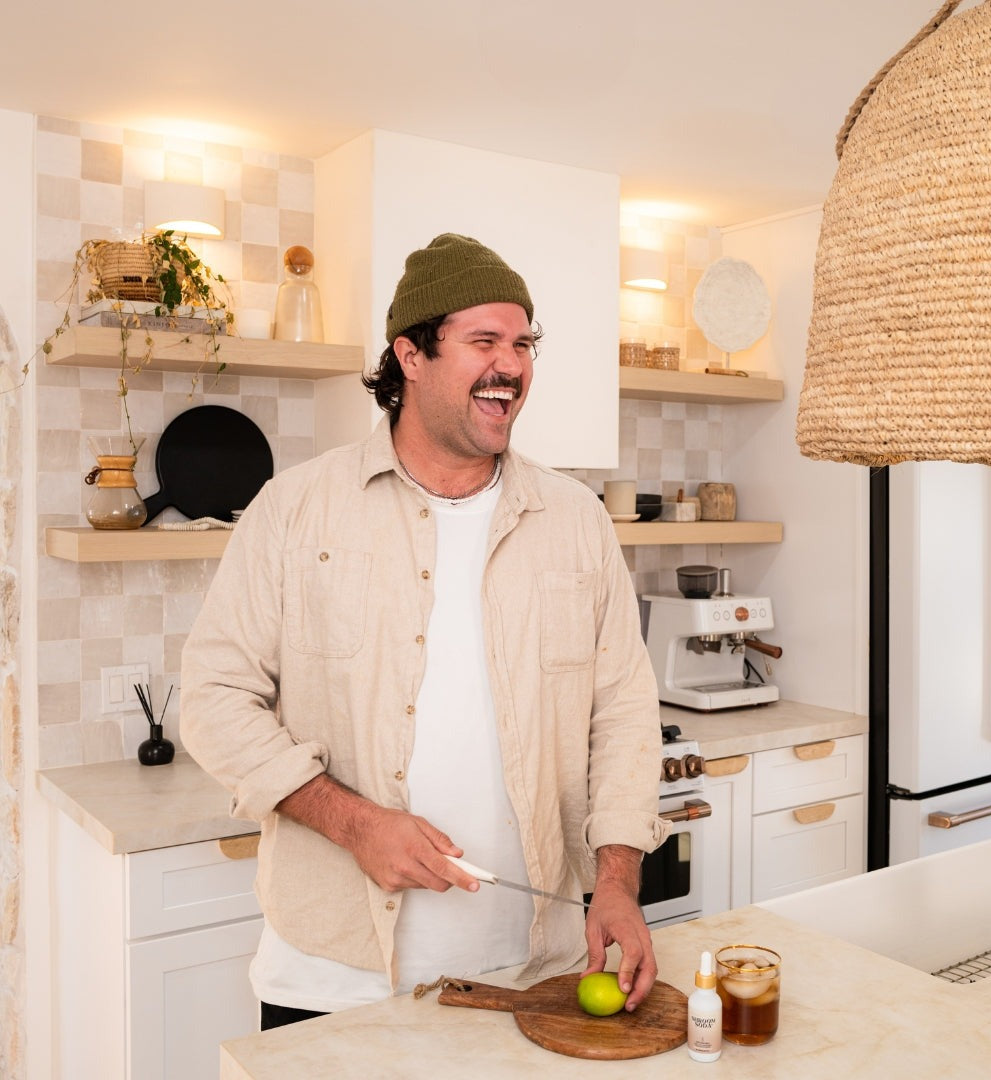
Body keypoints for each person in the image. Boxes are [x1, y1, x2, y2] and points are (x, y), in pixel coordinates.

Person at [180, 233, 668, 1031]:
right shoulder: (297, 509)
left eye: (522, 344)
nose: (511, 366)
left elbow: (621, 712)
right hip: (334, 976)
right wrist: (355, 822)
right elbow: (211, 697)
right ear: (410, 356)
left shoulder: (576, 521)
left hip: (529, 968)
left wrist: (615, 878)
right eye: (484, 342)